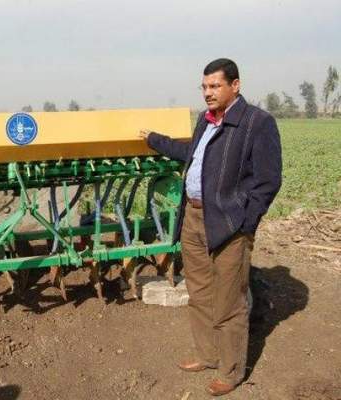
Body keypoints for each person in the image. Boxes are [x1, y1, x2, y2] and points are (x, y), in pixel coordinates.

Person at [139, 58, 282, 396]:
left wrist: (245, 221)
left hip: (229, 223)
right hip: (193, 218)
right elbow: (193, 153)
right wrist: (156, 140)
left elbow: (268, 181)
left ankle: (231, 371)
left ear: (235, 85)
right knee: (199, 290)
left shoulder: (256, 123)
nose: (208, 92)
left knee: (230, 299)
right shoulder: (206, 122)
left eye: (215, 86)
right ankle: (207, 354)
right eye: (204, 86)